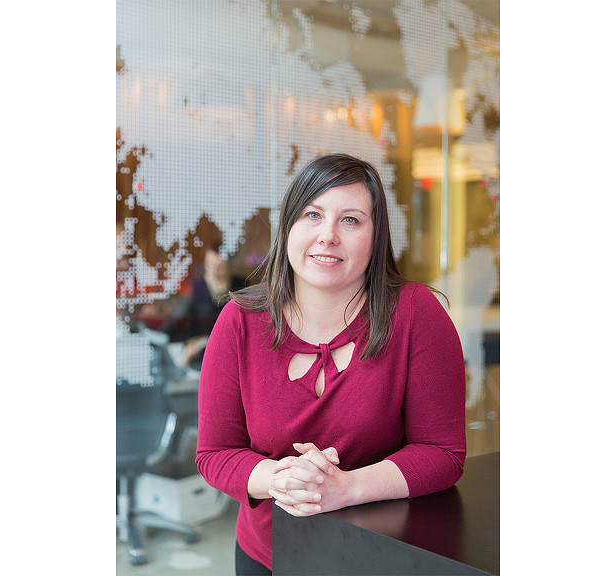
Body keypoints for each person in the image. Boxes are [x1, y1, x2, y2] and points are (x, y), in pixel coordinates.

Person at [195, 153, 466, 575]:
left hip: (381, 556)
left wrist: (346, 488)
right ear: (288, 227)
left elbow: (443, 453)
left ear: (377, 236)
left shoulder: (416, 314)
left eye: (351, 220)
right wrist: (283, 478)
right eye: (312, 214)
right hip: (266, 556)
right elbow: (215, 453)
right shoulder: (240, 321)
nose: (327, 236)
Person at [174, 242, 247, 367]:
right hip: (202, 350)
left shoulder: (241, 284)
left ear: (229, 266)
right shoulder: (197, 287)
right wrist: (190, 343)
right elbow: (182, 322)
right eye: (209, 266)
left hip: (233, 348)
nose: (214, 271)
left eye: (220, 267)